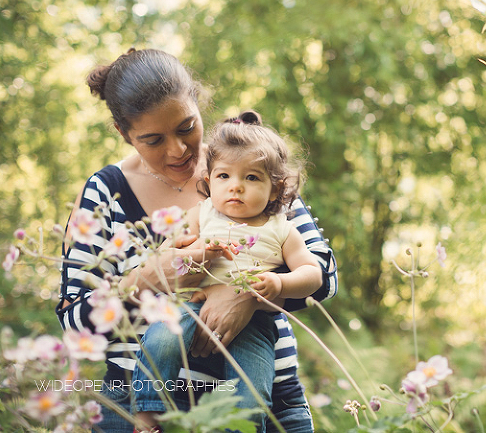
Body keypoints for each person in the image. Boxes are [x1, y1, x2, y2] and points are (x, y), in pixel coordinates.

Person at [55, 48, 337, 433]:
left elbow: (325, 276)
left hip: (268, 404)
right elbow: (73, 317)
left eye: (186, 127)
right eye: (153, 139)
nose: (178, 150)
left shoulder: (253, 165)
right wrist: (147, 280)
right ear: (124, 133)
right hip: (138, 412)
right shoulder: (106, 192)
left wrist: (245, 294)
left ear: (198, 104)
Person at [132, 110, 323, 432]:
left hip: (256, 322)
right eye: (224, 177)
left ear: (275, 190)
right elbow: (163, 258)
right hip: (189, 304)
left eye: (251, 178)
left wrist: (279, 282)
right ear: (208, 182)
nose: (236, 187)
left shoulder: (282, 229)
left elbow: (313, 274)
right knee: (160, 341)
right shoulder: (201, 214)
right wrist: (188, 252)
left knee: (253, 389)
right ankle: (147, 418)